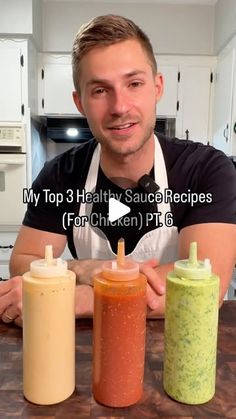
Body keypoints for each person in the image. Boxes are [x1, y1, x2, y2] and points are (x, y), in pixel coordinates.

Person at [0, 14, 236, 327]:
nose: (120, 106)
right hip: (89, 349)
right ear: (80, 102)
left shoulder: (206, 169)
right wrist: (83, 269)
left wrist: (77, 296)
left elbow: (207, 285)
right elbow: (22, 265)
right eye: (99, 90)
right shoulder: (59, 176)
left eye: (134, 84)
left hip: (181, 349)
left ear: (157, 87)